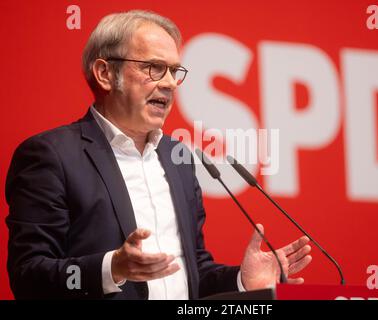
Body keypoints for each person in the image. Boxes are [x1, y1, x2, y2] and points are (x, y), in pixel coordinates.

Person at [5, 10, 312, 299]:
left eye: (175, 71)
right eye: (154, 68)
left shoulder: (178, 158)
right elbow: (29, 276)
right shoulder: (51, 156)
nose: (169, 83)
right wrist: (112, 268)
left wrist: (242, 280)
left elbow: (192, 273)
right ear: (105, 74)